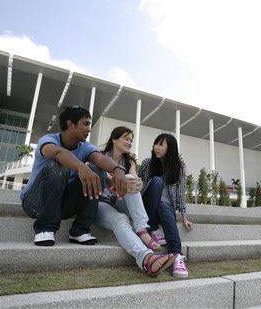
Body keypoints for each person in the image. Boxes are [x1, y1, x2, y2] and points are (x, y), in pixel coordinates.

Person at [20, 106, 127, 247]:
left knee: (97, 170)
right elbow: (58, 153)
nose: (89, 129)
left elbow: (99, 159)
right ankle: (45, 228)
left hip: (62, 206)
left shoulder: (84, 146)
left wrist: (118, 169)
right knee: (57, 166)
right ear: (71, 124)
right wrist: (81, 167)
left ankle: (80, 230)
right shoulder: (48, 140)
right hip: (35, 203)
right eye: (86, 124)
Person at [95, 126, 176, 277]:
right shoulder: (98, 156)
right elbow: (103, 176)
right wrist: (116, 180)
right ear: (114, 139)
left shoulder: (129, 161)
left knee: (129, 179)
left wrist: (138, 183)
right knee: (121, 219)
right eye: (126, 138)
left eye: (131, 140)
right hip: (100, 204)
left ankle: (141, 228)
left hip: (119, 201)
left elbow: (133, 177)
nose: (130, 142)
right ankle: (146, 259)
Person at [139, 133, 193, 278]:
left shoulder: (179, 167)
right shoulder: (147, 163)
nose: (156, 147)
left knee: (164, 204)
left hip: (165, 209)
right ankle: (153, 228)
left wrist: (184, 218)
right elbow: (139, 187)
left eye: (161, 144)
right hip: (148, 207)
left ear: (170, 148)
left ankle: (177, 256)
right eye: (155, 144)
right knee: (157, 182)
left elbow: (181, 192)